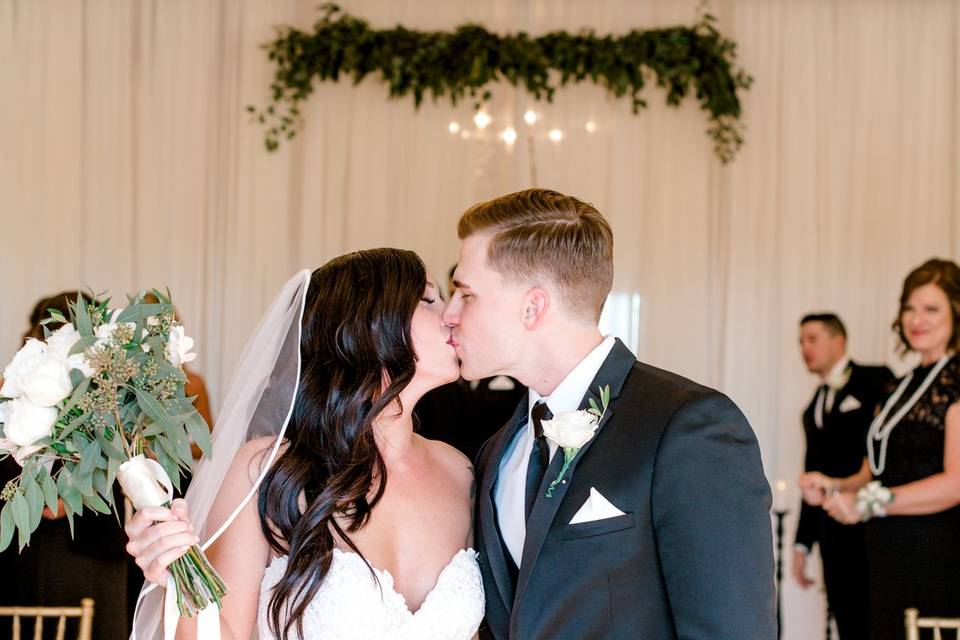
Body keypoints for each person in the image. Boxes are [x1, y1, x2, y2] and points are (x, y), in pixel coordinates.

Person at [443, 189, 776, 639]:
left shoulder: (687, 428)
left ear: (532, 307)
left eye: (465, 294)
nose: (449, 314)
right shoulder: (497, 451)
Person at [124, 250, 484, 640]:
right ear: (371, 325)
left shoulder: (459, 471)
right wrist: (177, 574)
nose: (452, 315)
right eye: (429, 299)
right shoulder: (267, 471)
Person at [805, 258, 960, 640]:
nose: (916, 319)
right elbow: (875, 469)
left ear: (956, 313)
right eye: (909, 308)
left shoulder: (957, 381)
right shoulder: (898, 387)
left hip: (938, 551)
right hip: (886, 549)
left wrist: (871, 503)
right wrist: (837, 486)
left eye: (930, 309)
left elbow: (957, 483)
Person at [1, 291, 135, 640]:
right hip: (59, 554)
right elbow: (51, 507)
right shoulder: (24, 399)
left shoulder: (106, 396)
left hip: (87, 548)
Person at [793, 313, 892, 639]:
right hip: (831, 535)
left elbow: (888, 453)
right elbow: (811, 476)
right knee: (846, 622)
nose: (804, 348)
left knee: (877, 621)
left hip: (872, 528)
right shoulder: (812, 409)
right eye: (801, 341)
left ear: (839, 341)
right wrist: (802, 545)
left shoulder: (877, 380)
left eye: (812, 339)